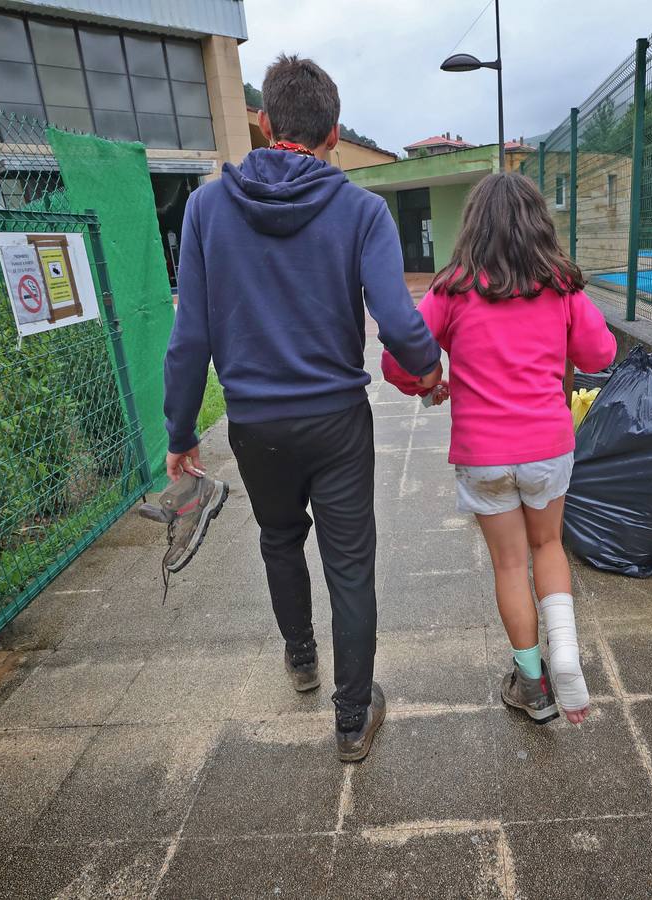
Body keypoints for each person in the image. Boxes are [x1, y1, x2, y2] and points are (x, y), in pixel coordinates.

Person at [163, 55, 442, 762]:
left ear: (265, 121)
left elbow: (189, 335)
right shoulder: (360, 209)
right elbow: (399, 321)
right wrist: (431, 370)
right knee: (350, 564)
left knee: (279, 538)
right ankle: (352, 721)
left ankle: (300, 660)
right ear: (335, 133)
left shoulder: (205, 209)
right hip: (338, 418)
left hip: (256, 425)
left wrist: (180, 431)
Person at [383, 172, 616, 725]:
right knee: (548, 547)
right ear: (539, 225)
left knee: (510, 563)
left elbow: (398, 360)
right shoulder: (562, 288)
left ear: (472, 228)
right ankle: (566, 653)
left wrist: (429, 381)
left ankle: (533, 685)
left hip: (483, 453)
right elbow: (600, 353)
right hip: (547, 445)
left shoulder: (451, 289)